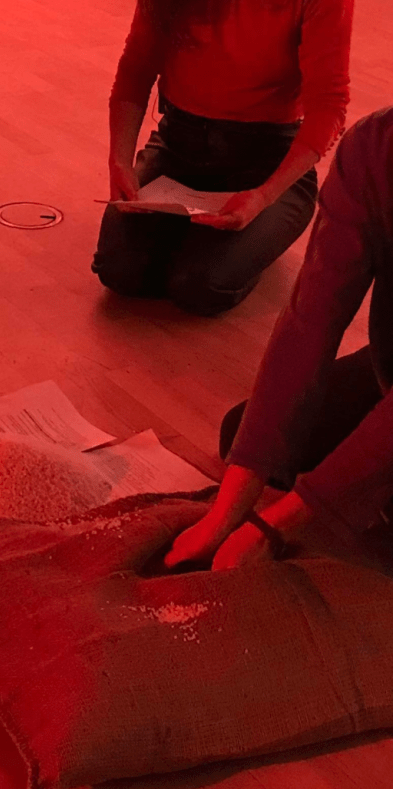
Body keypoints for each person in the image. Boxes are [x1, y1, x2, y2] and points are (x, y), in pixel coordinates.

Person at [92, 0, 354, 316]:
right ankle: (211, 240)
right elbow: (135, 70)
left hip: (268, 156)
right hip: (180, 145)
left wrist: (264, 197)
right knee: (120, 271)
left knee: (200, 286)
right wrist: (120, 161)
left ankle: (263, 227)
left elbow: (329, 103)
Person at [164, 106, 393, 570]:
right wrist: (226, 514)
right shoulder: (375, 145)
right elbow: (311, 319)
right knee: (247, 441)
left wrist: (279, 524)